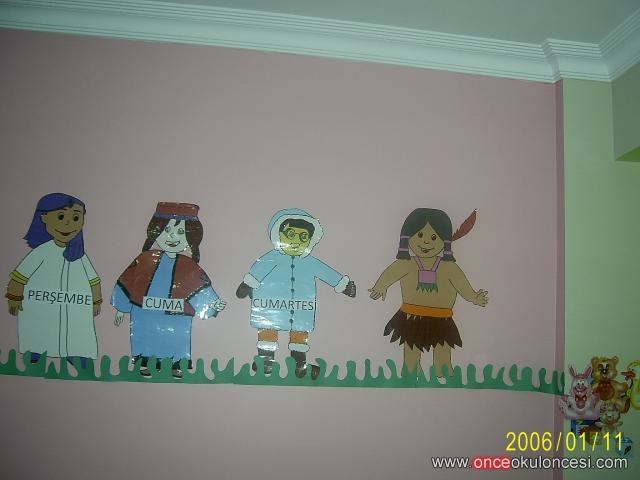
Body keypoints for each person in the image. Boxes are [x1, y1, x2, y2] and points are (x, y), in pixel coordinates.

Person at [236, 208, 356, 380]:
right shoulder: (271, 258)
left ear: (310, 240)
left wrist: (343, 285)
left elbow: (326, 272)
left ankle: (299, 365)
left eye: (303, 237)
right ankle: (265, 362)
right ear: (278, 234)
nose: (296, 241)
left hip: (300, 305)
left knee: (299, 332)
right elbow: (258, 271)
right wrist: (247, 285)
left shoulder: (310, 262)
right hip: (271, 304)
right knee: (268, 328)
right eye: (290, 234)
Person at [369, 208, 488, 378]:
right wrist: (380, 287)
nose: (426, 242)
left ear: (445, 241)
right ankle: (411, 374)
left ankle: (443, 373)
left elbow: (461, 284)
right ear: (407, 237)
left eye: (434, 237)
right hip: (411, 316)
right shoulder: (406, 263)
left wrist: (474, 297)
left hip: (442, 318)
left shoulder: (449, 267)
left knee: (442, 349)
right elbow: (390, 274)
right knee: (412, 349)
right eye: (419, 235)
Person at [112, 202, 225, 379]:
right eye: (166, 230)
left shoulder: (189, 266)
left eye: (180, 232)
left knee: (177, 337)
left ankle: (176, 364)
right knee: (145, 334)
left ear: (191, 237)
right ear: (156, 232)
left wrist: (212, 304)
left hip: (177, 316)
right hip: (144, 312)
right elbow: (128, 281)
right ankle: (144, 362)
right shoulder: (144, 260)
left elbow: (200, 288)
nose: (173, 236)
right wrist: (121, 307)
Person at [6, 193, 102, 368]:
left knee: (74, 332)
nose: (68, 224)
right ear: (44, 218)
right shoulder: (42, 252)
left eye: (75, 218)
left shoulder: (78, 255)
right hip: (41, 305)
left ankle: (74, 353)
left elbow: (94, 280)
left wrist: (96, 301)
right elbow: (19, 277)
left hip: (74, 306)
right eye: (61, 216)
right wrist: (14, 297)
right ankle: (36, 352)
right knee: (40, 328)